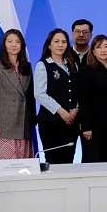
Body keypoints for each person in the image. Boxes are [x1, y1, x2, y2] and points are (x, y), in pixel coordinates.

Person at [78, 35, 107, 163]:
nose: (103, 50)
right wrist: (86, 127)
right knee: (95, 160)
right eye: (99, 47)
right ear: (93, 51)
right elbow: (84, 101)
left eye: (106, 46)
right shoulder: (86, 71)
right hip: (96, 126)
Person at [35, 29, 79, 164]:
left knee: (69, 160)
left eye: (64, 42)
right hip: (51, 123)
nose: (60, 45)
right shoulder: (43, 65)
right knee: (53, 160)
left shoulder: (72, 64)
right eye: (56, 41)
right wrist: (61, 111)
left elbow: (79, 90)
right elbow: (39, 93)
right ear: (49, 45)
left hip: (71, 122)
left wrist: (77, 108)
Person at [0, 29, 36, 159]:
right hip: (5, 123)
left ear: (22, 45)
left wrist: (33, 120)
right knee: (6, 165)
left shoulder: (27, 67)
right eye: (10, 41)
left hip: (24, 122)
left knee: (24, 165)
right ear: (4, 44)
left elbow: (30, 96)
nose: (14, 45)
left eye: (17, 42)